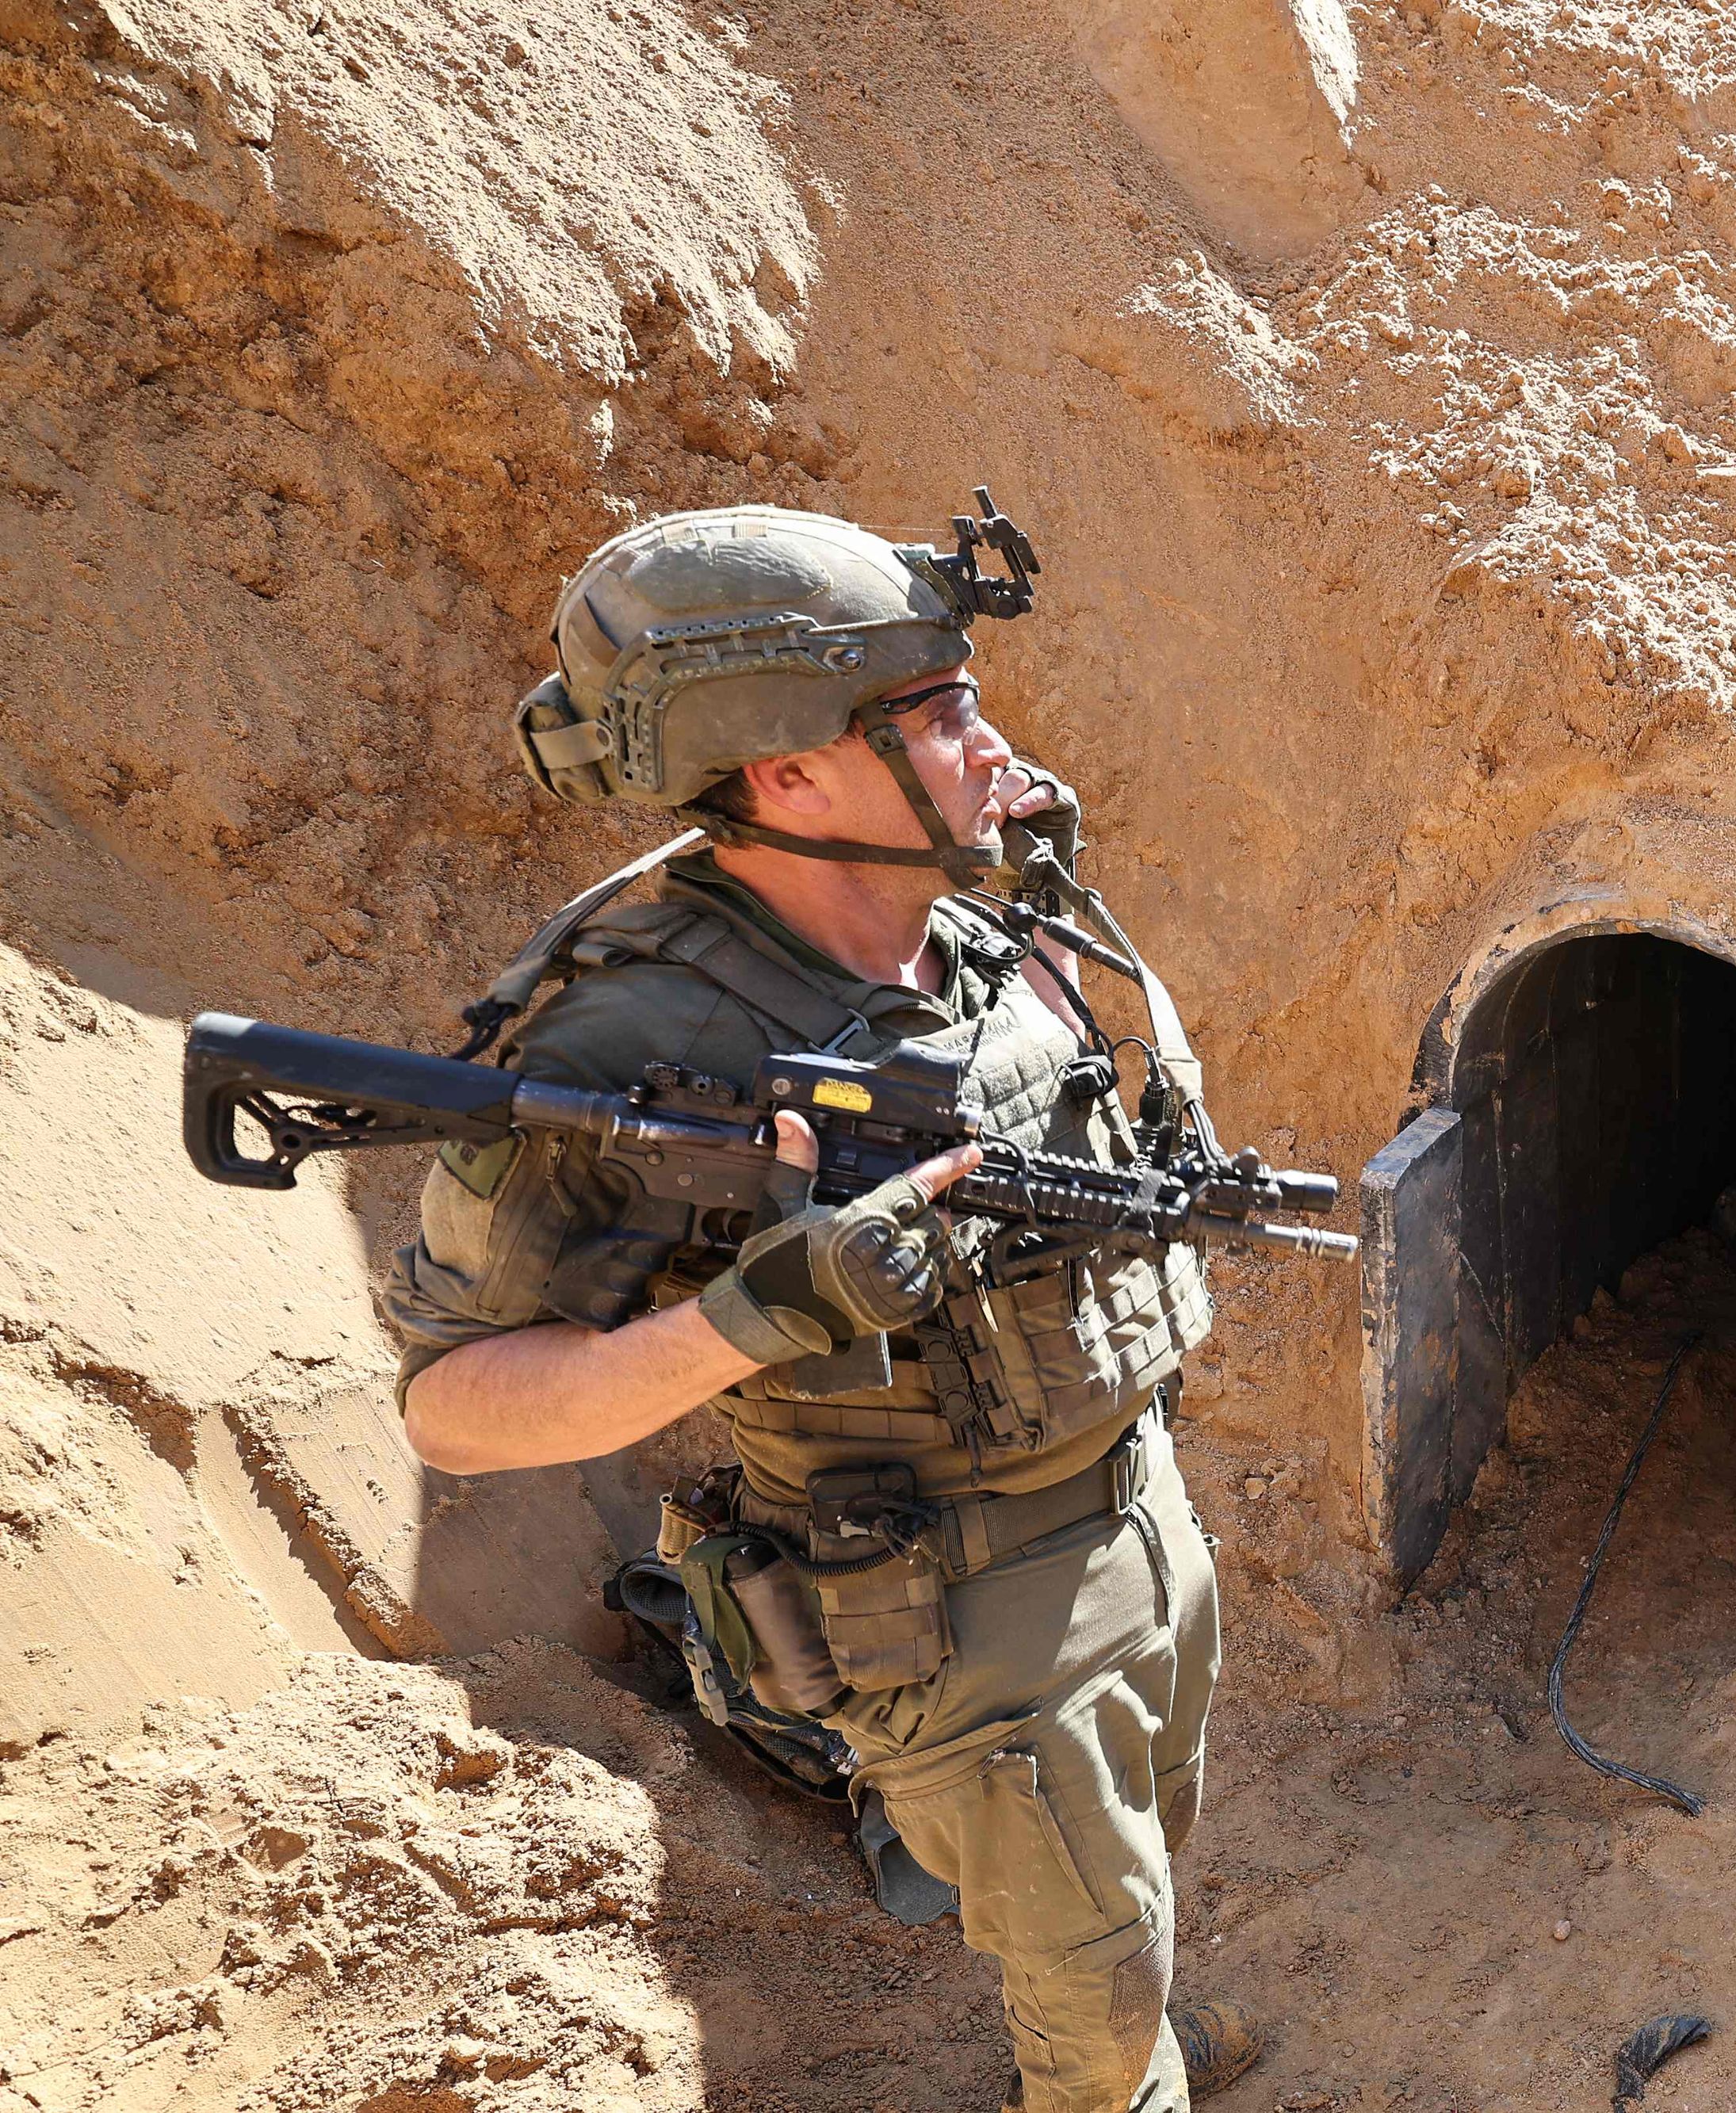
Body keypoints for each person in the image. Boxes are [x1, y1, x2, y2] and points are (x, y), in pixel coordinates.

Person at [382, 499, 1256, 2112]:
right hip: (956, 1618)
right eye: (933, 718)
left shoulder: (977, 927)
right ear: (788, 775)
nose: (992, 747)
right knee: (1102, 2025)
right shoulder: (635, 1042)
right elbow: (452, 1402)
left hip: (1134, 1522)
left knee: (1132, 1886)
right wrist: (754, 1317)